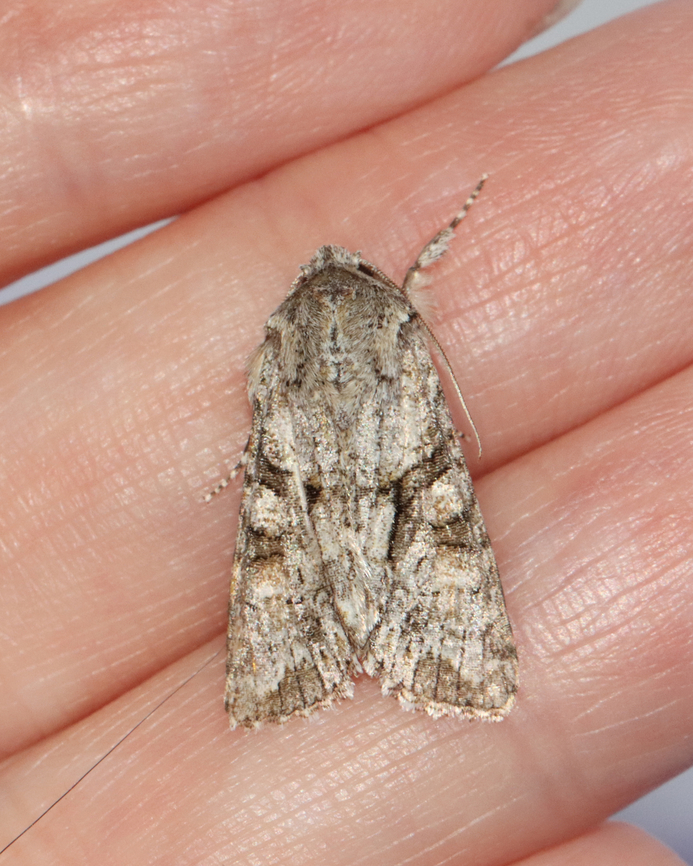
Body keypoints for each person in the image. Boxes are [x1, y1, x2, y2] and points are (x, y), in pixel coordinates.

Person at [1, 1, 690, 863]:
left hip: (298, 492)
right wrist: (459, 216)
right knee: (432, 511)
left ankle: (290, 665)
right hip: (410, 472)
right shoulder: (392, 318)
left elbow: (264, 402)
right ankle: (442, 658)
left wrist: (249, 460)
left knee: (280, 531)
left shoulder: (286, 337)